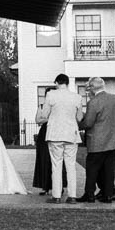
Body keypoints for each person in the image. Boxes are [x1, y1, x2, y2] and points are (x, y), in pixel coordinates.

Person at [36, 74, 84, 203]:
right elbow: (79, 118)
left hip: (55, 134)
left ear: (57, 83)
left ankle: (56, 196)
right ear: (67, 83)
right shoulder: (77, 97)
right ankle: (72, 196)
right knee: (71, 166)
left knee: (56, 165)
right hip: (71, 134)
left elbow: (45, 114)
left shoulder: (51, 95)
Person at [79, 77, 115, 203]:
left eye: (88, 88)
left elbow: (88, 123)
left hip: (96, 142)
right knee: (108, 170)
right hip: (112, 142)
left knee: (92, 169)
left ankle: (89, 194)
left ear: (92, 88)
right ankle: (107, 194)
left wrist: (78, 123)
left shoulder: (93, 102)